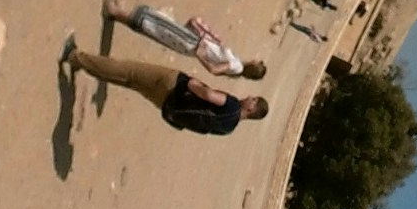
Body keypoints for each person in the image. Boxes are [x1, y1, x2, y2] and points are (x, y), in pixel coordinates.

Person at [65, 45, 267, 137]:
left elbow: (208, 96)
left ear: (251, 109)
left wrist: (193, 84)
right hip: (168, 106)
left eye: (253, 99)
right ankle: (85, 66)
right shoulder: (228, 129)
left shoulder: (232, 105)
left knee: (129, 70)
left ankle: (77, 58)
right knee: (130, 82)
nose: (249, 97)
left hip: (175, 86)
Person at [106, 0, 266, 82]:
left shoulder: (236, 67)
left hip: (193, 44)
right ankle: (119, 14)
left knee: (157, 26)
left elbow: (214, 70)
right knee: (160, 27)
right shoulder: (237, 66)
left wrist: (200, 54)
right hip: (195, 41)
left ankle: (116, 11)